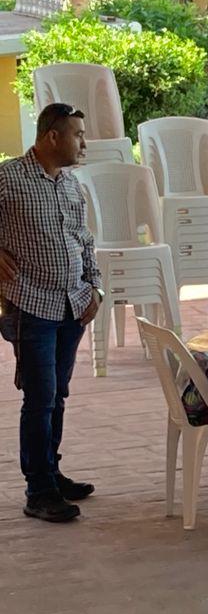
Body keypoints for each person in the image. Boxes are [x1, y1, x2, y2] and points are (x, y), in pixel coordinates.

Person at [0, 103, 101, 522]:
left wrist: (95, 286)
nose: (83, 143)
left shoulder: (71, 184)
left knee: (57, 394)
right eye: (77, 134)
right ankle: (38, 491)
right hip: (31, 304)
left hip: (72, 306)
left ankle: (52, 473)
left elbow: (84, 237)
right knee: (40, 399)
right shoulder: (9, 177)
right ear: (52, 137)